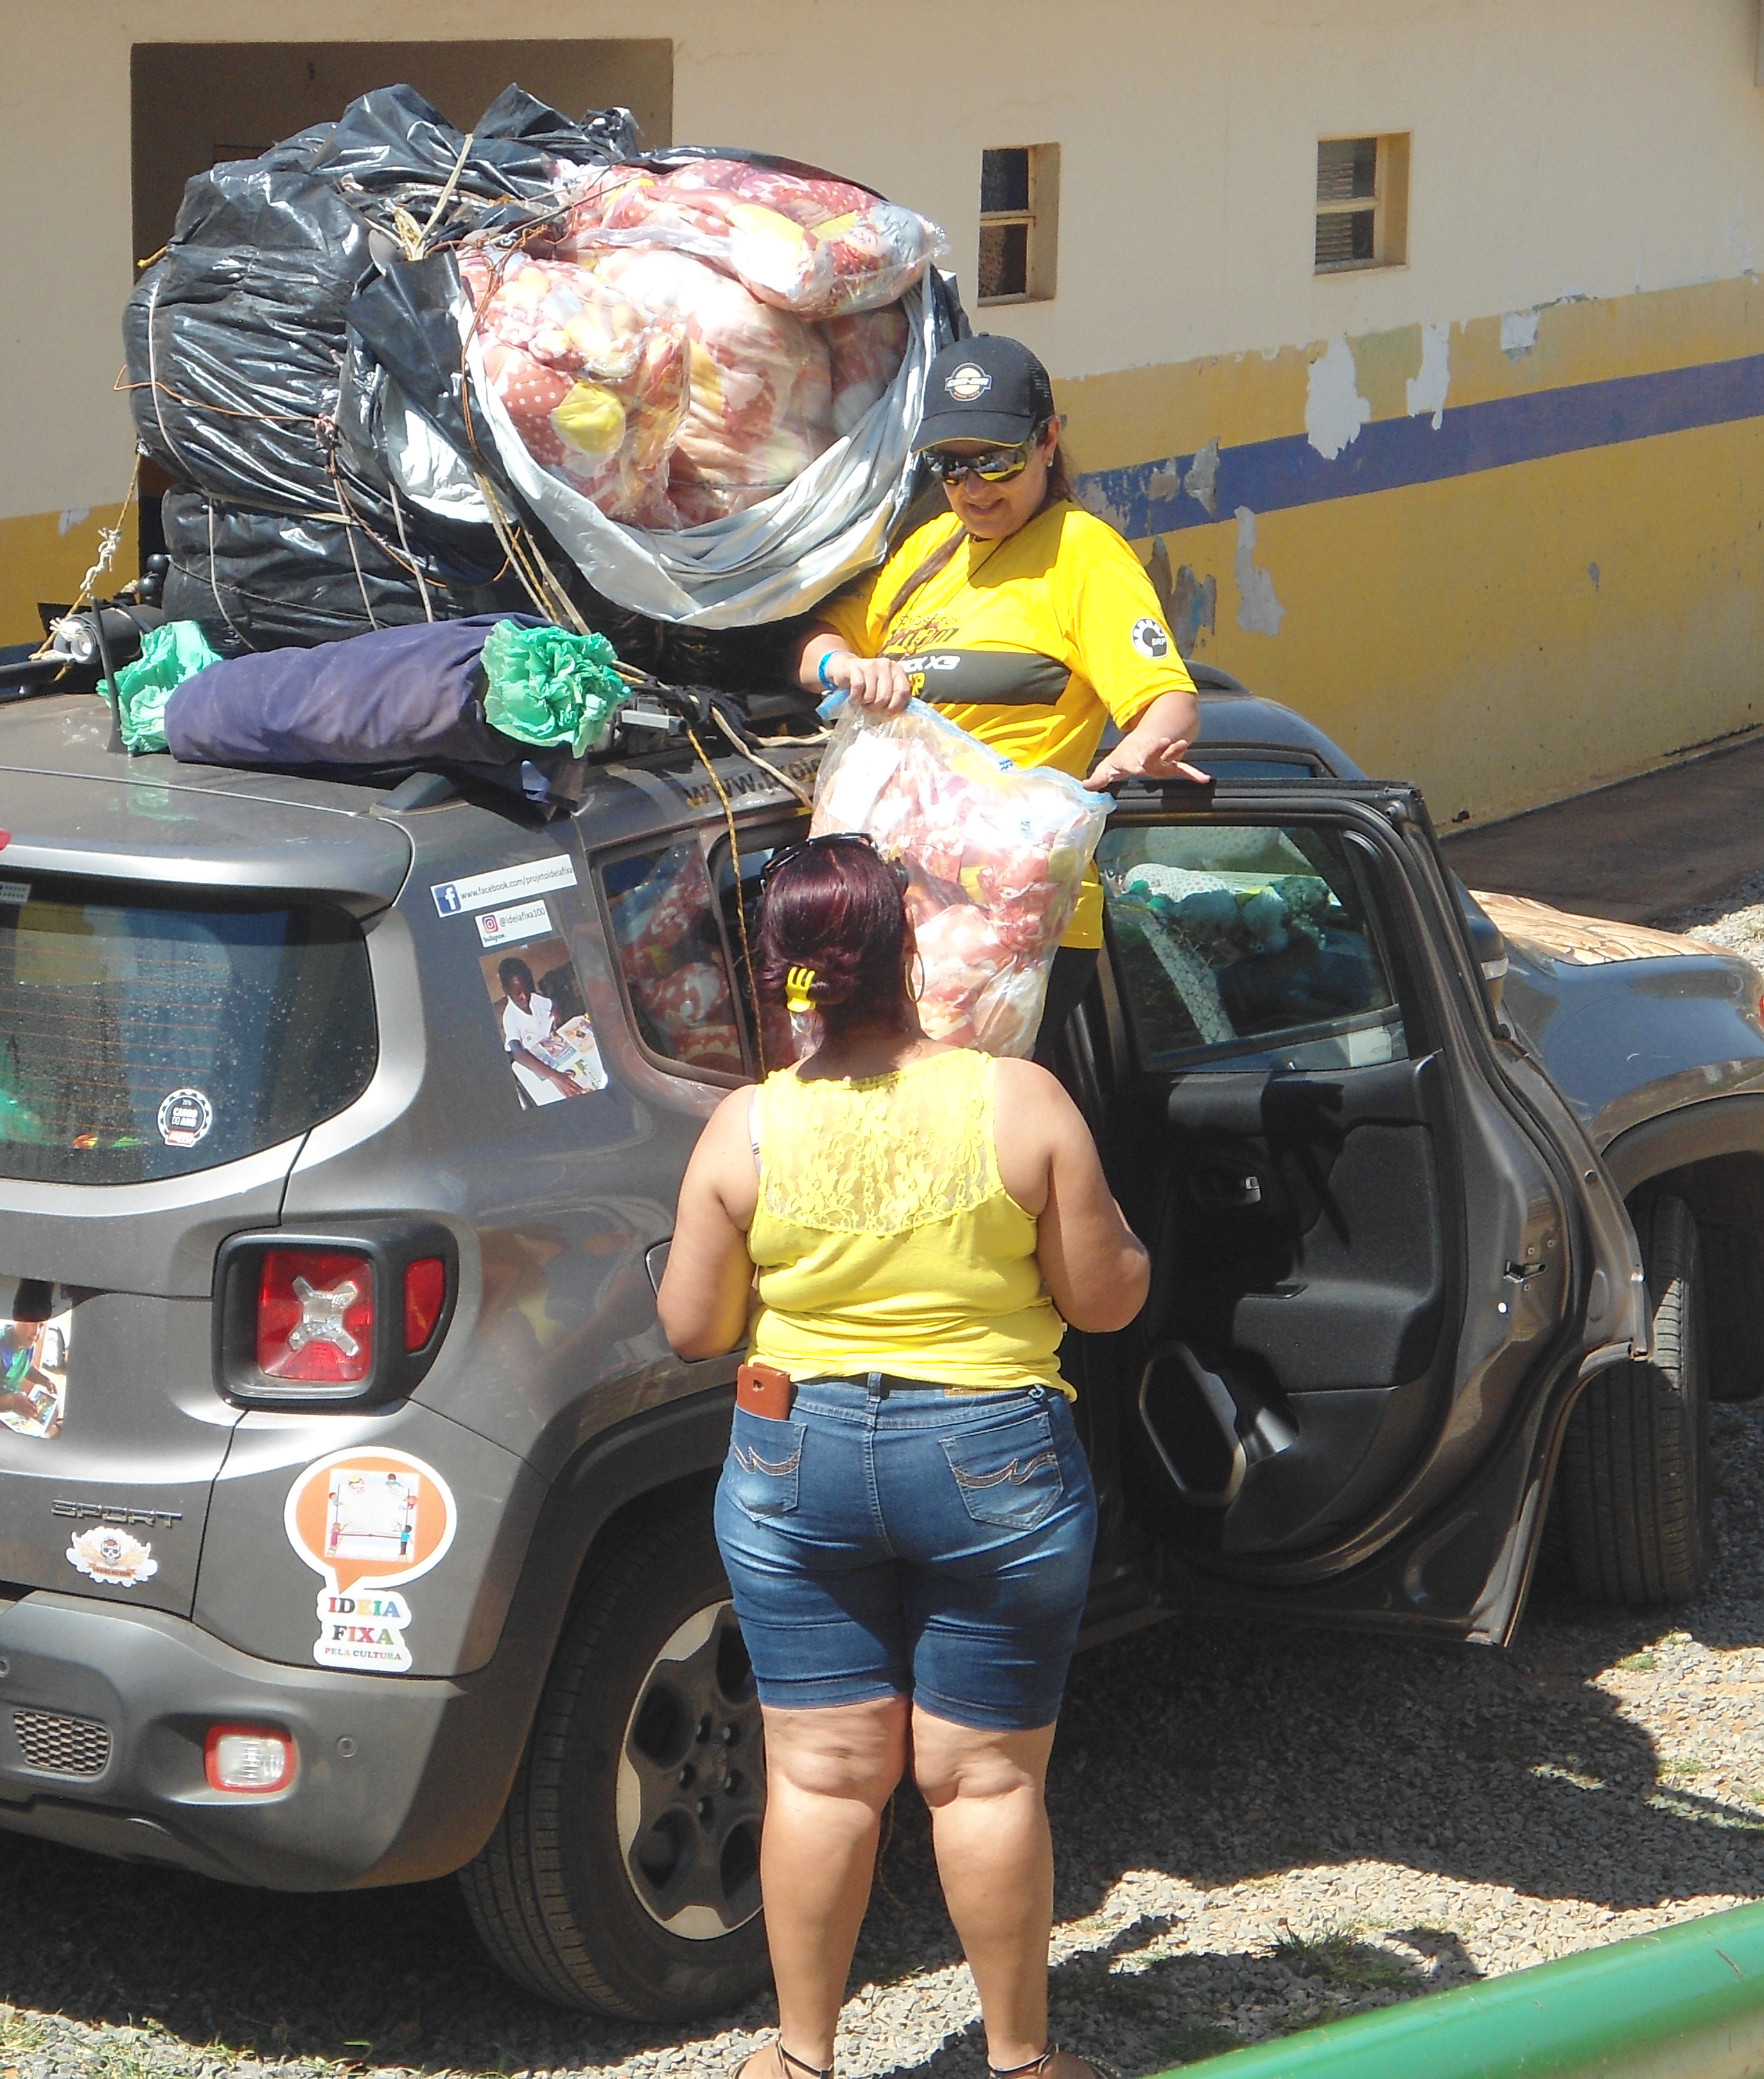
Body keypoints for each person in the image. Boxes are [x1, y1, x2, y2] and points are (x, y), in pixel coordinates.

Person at [658, 836, 1151, 2079]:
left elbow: (694, 1328)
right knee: (984, 1783)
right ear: (911, 952)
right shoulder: (1019, 1101)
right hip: (991, 1460)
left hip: (796, 1460)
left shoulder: (747, 1126)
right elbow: (1103, 1303)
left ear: (787, 974)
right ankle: (1022, 2063)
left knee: (823, 1777)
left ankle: (799, 2061)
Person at [798, 335, 1210, 1059]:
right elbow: (818, 647)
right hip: (895, 911)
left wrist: (1142, 750)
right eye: (950, 466)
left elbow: (1168, 699)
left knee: (957, 1119)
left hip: (1011, 920)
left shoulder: (1081, 554)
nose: (974, 488)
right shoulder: (931, 548)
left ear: (1048, 440)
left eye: (996, 460)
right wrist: (846, 666)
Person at [496, 956, 586, 1103]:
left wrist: (556, 1010)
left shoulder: (535, 998)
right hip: (535, 1067)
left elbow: (552, 1003)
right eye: (518, 994)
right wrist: (554, 1077)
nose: (525, 997)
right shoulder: (510, 1017)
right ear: (506, 991)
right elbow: (518, 1053)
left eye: (527, 990)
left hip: (554, 1055)